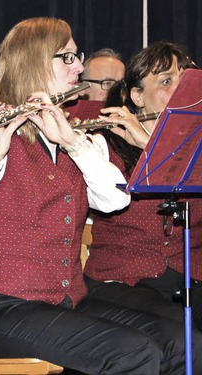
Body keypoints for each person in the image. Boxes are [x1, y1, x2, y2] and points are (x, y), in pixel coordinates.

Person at [0, 17, 202, 374]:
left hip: (68, 303)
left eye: (78, 57)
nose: (79, 65)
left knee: (183, 342)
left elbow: (116, 200)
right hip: (1, 308)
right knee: (131, 354)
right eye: (68, 57)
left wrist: (74, 144)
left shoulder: (80, 139)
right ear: (33, 62)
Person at [83, 41, 202, 329]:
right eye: (165, 81)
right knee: (182, 331)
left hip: (190, 280)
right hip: (122, 282)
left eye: (185, 79)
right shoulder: (103, 145)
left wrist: (150, 145)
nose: (180, 89)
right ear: (137, 96)